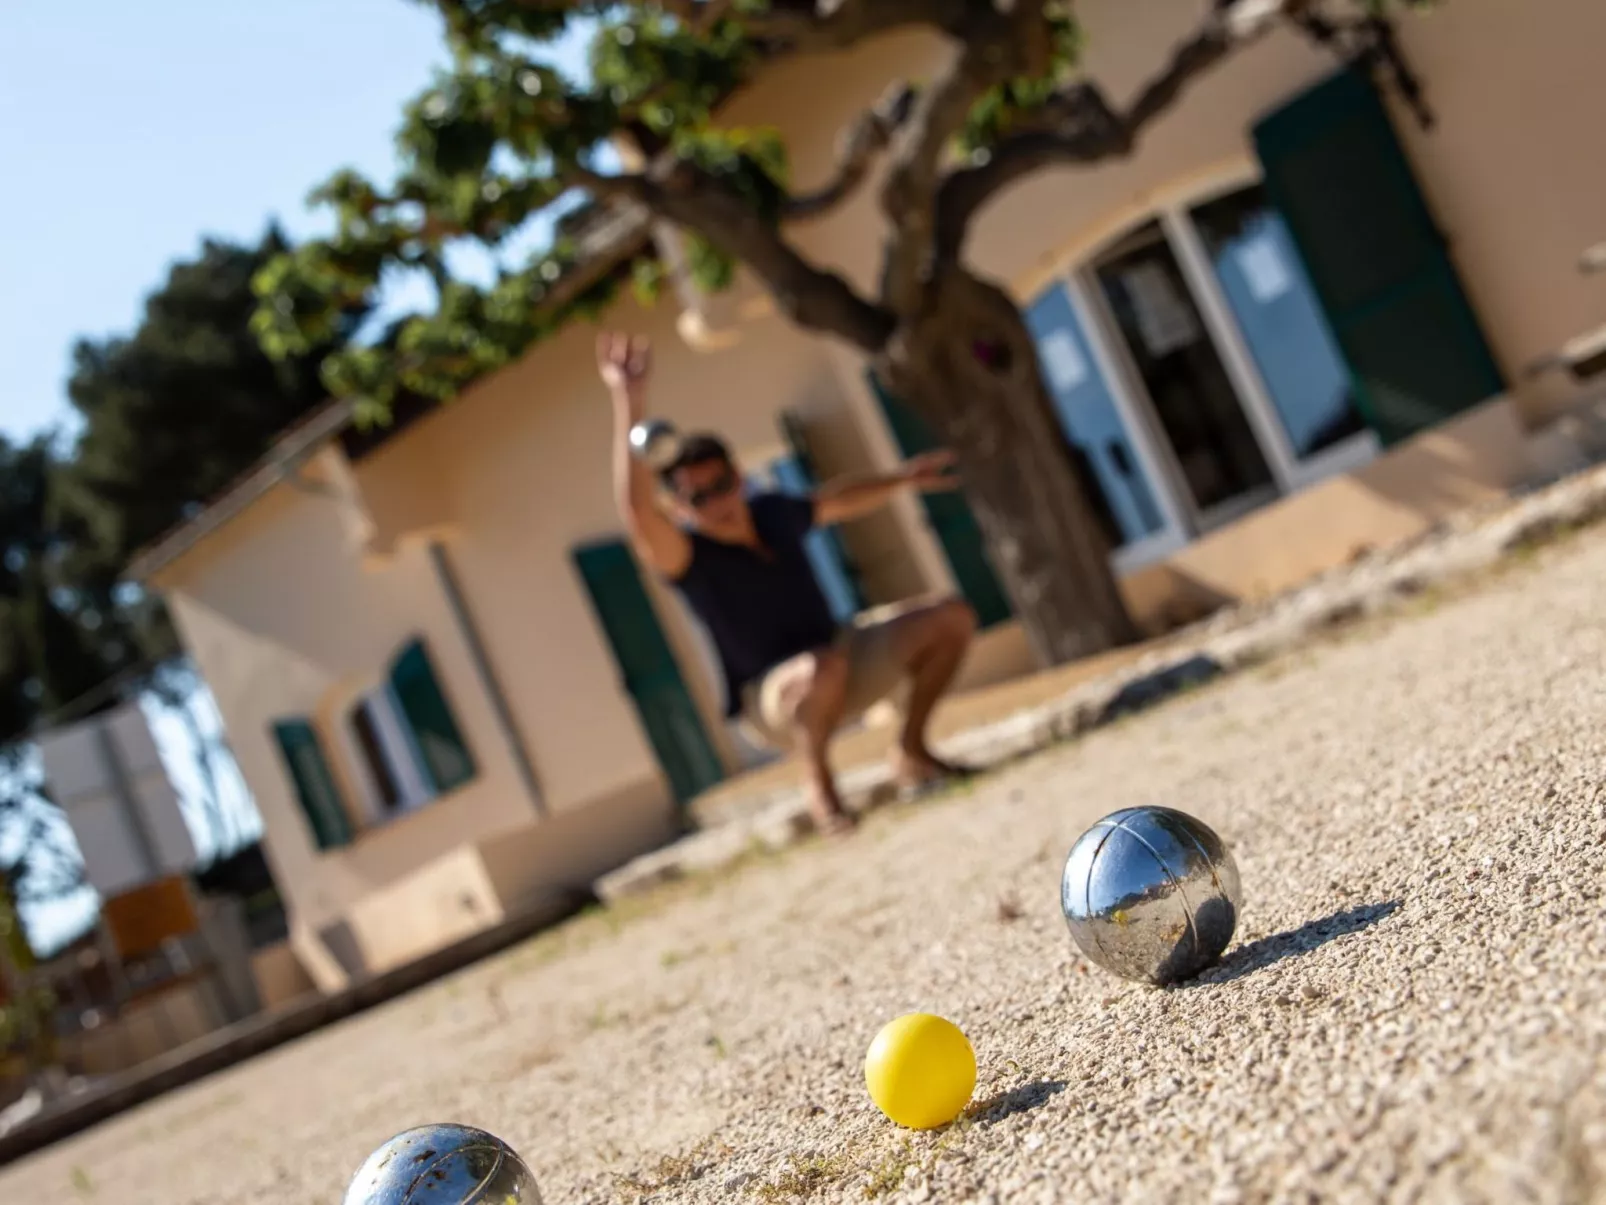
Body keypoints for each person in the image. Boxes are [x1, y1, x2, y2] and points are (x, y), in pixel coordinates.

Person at [597, 331, 978, 836]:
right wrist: (630, 402)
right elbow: (636, 511)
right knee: (823, 668)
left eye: (720, 484)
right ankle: (820, 790)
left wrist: (905, 479)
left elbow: (837, 500)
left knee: (950, 617)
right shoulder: (689, 556)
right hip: (772, 700)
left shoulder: (774, 513)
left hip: (840, 654)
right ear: (681, 508)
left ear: (738, 474)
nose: (716, 501)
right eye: (699, 497)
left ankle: (911, 751)